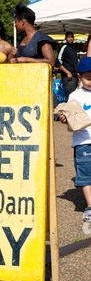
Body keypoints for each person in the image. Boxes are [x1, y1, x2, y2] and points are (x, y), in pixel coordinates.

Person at [59, 56, 91, 232]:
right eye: (88, 78)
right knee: (86, 174)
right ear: (79, 77)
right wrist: (64, 119)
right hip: (83, 141)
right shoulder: (75, 95)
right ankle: (90, 206)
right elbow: (68, 118)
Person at [56, 31, 79, 101]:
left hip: (76, 77)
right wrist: (67, 72)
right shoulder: (64, 47)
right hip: (69, 78)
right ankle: (68, 112)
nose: (71, 38)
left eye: (72, 37)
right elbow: (58, 62)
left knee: (75, 98)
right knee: (70, 98)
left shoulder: (74, 49)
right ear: (66, 38)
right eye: (69, 37)